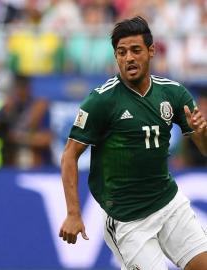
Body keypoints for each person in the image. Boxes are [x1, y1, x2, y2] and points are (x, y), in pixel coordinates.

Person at [59, 16, 207, 270]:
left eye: (136, 50)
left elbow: (205, 150)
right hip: (128, 219)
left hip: (169, 204)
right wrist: (73, 213)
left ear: (151, 51)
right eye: (121, 52)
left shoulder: (173, 93)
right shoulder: (101, 101)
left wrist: (201, 134)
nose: (128, 58)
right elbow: (69, 155)